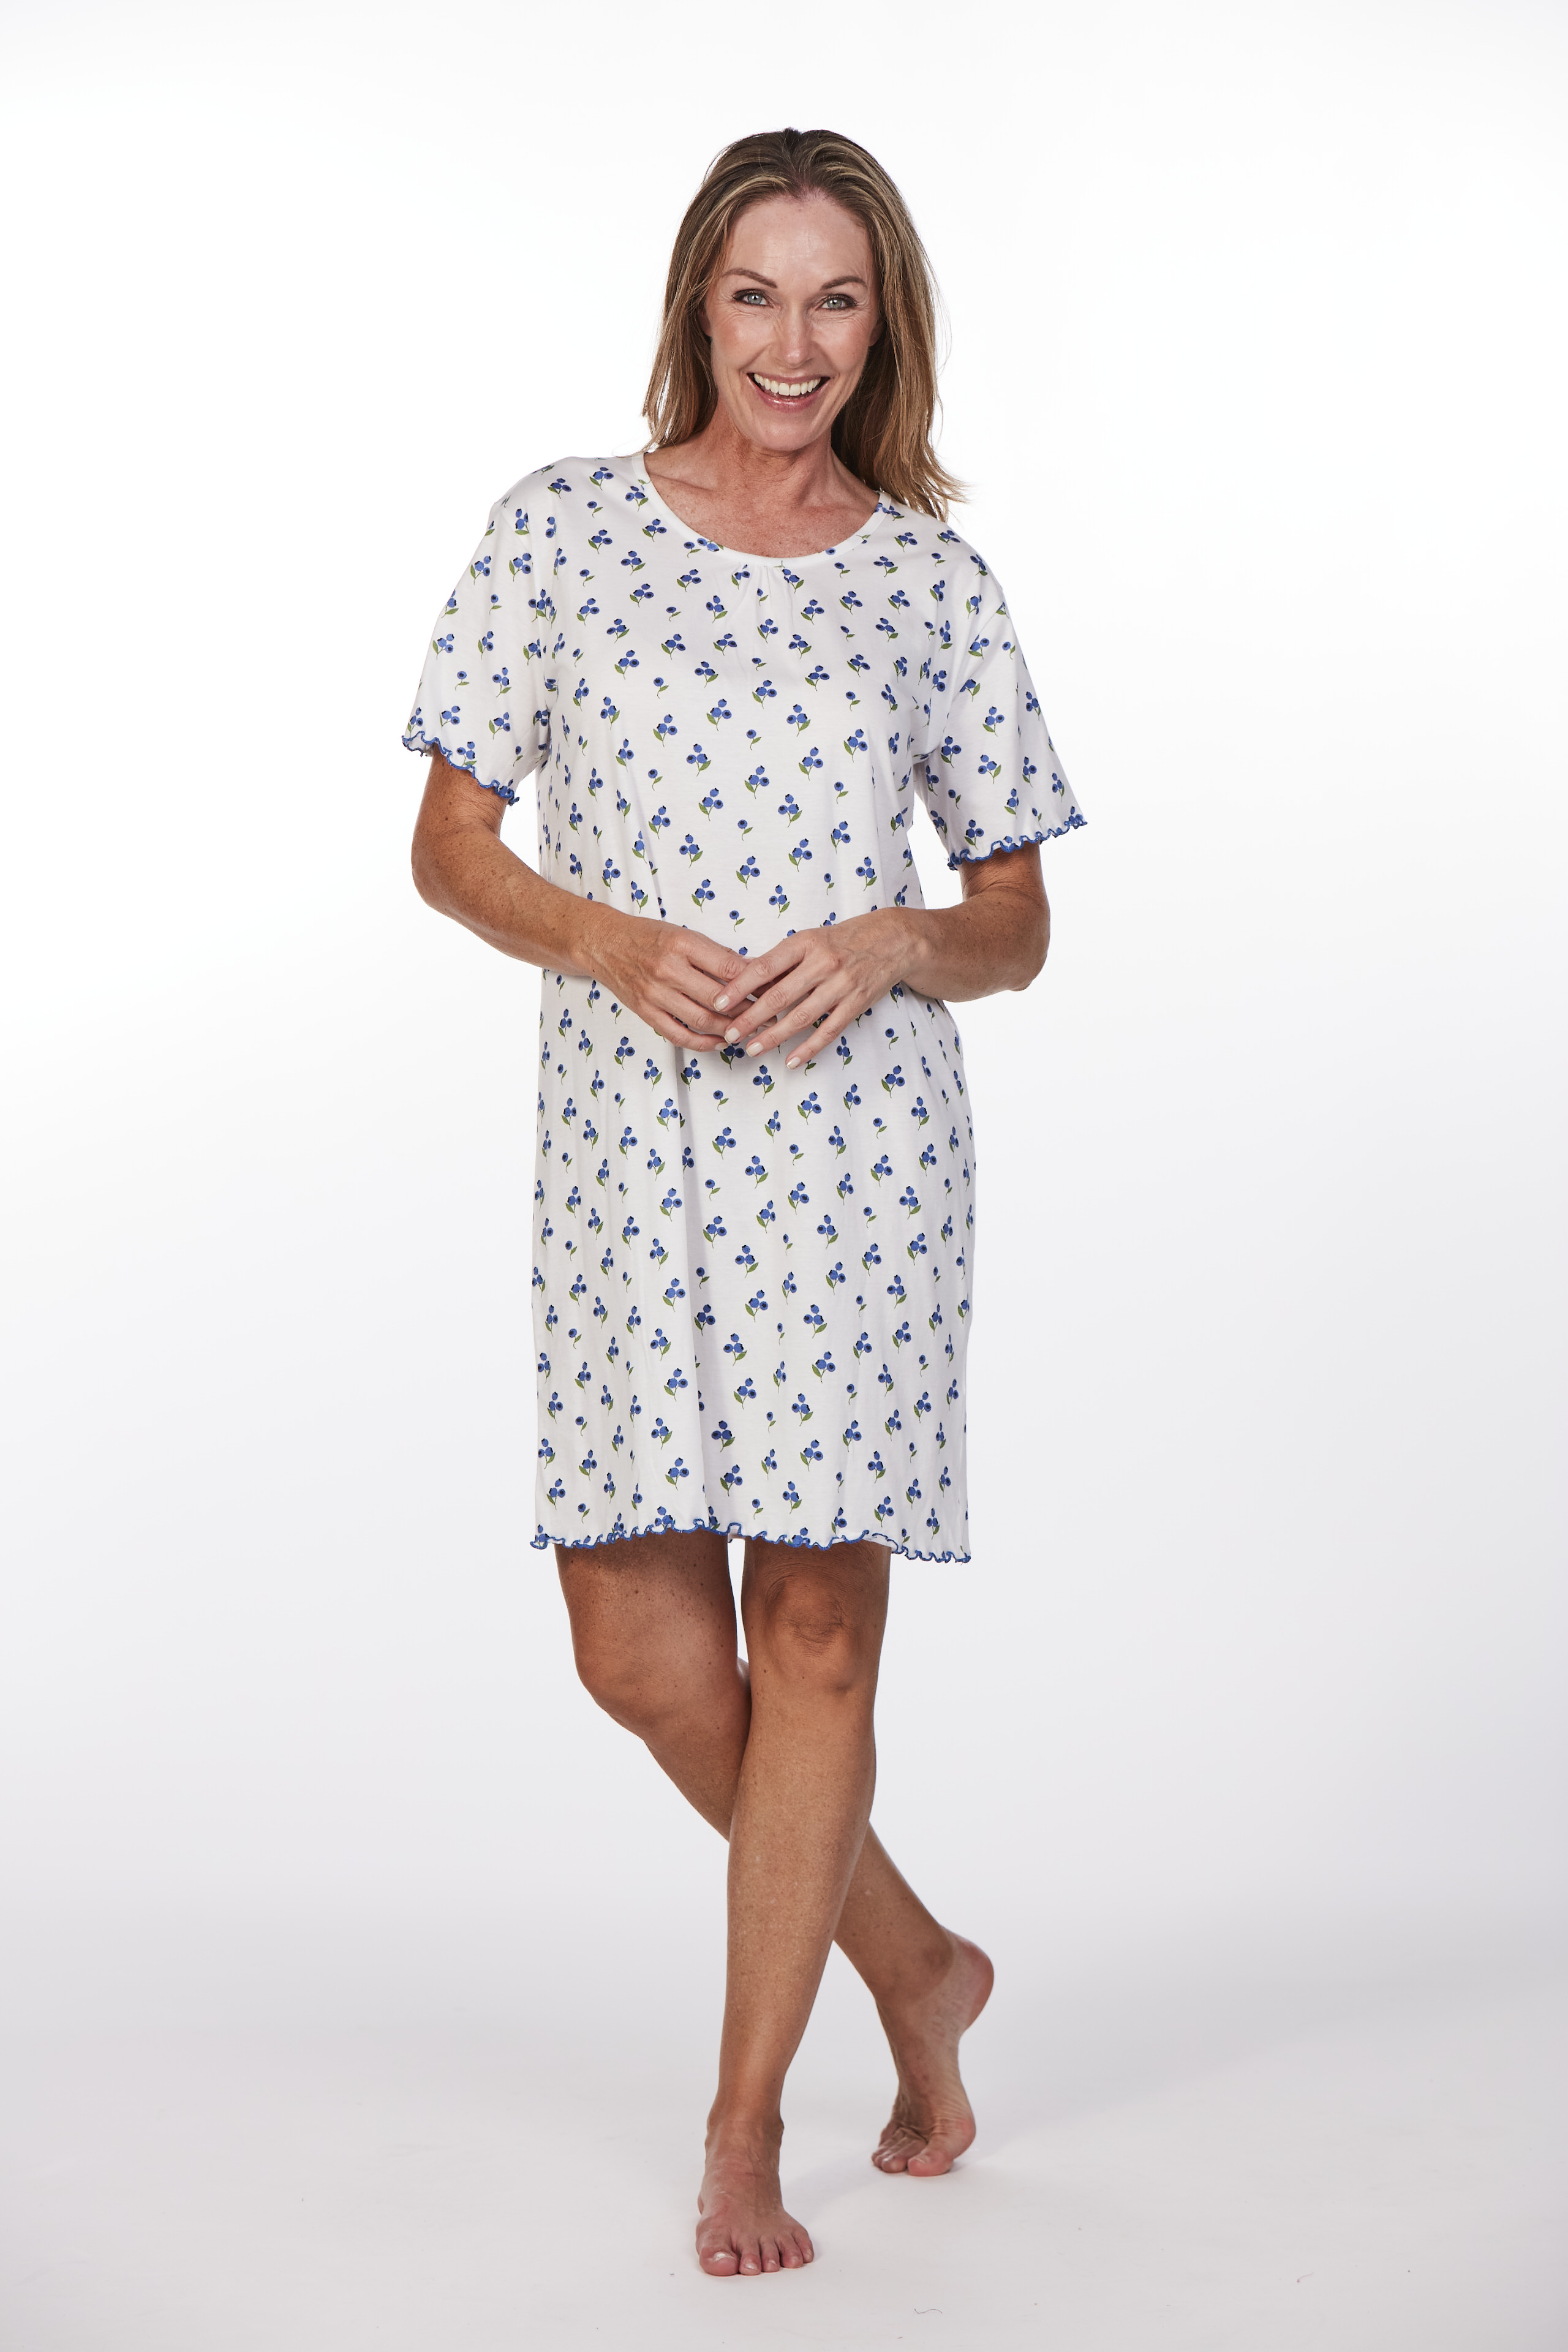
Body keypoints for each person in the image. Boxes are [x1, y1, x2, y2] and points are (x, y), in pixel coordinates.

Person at [404, 126, 1083, 2279]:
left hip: (858, 1152)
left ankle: (743, 2127)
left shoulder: (930, 580)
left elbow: (1017, 922)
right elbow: (448, 847)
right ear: (699, 303)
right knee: (640, 1649)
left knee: (812, 1633)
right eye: (758, 294)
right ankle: (921, 1962)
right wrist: (603, 938)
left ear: (886, 326)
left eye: (838, 300)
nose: (795, 343)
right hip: (630, 1144)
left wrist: (891, 939)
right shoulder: (558, 529)